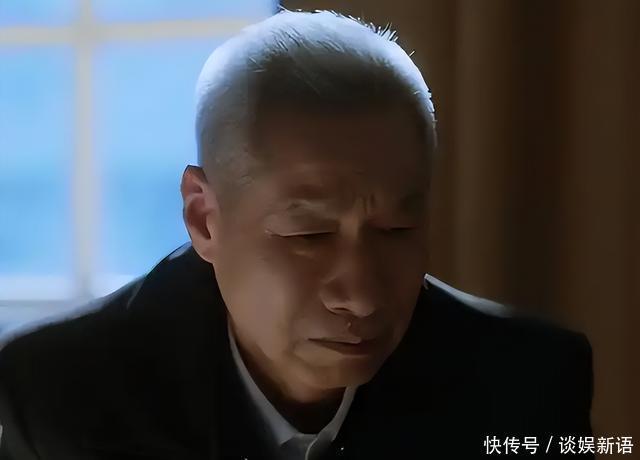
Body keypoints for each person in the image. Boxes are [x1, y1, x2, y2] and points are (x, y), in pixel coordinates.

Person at [0, 10, 593, 460]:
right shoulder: (58, 394)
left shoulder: (526, 384)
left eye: (396, 229)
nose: (362, 296)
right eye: (309, 234)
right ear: (205, 219)